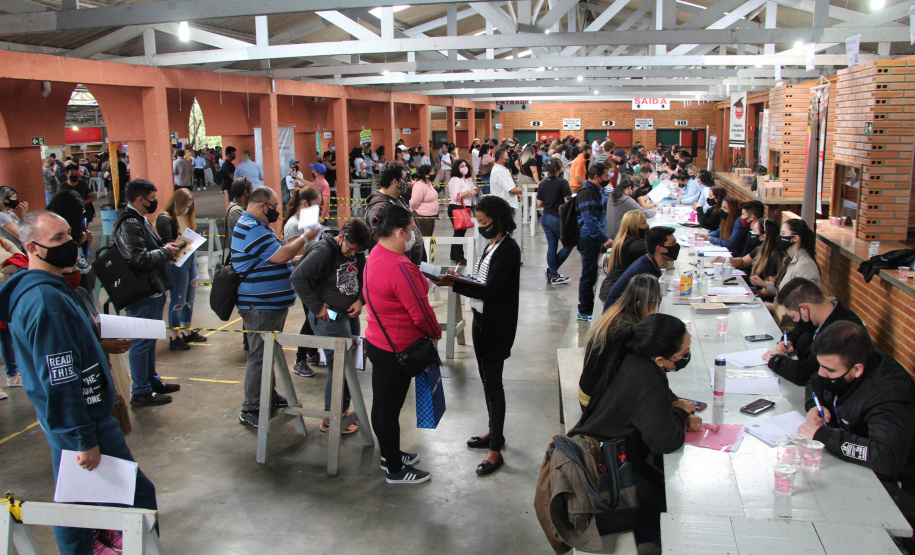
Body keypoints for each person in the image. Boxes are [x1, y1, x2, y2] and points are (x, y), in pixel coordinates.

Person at [0, 210, 159, 555]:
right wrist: (82, 439)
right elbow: (60, 378)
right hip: (83, 421)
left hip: (73, 420)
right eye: (57, 239)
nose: (69, 243)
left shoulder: (52, 289)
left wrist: (95, 344)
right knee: (135, 497)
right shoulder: (46, 303)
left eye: (69, 234)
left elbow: (65, 348)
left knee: (76, 501)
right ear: (33, 248)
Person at [571, 313, 700, 549]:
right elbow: (665, 441)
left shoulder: (629, 355)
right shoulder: (647, 377)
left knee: (662, 484)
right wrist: (681, 414)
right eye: (682, 355)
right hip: (605, 474)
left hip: (600, 453)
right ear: (661, 359)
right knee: (665, 505)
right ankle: (650, 543)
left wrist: (676, 408)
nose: (684, 358)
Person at [797, 321, 915, 552]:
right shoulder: (843, 364)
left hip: (902, 484)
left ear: (857, 369)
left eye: (830, 371)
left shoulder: (888, 396)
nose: (823, 374)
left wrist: (824, 435)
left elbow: (886, 458)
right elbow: (815, 381)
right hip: (864, 467)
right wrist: (816, 404)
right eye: (821, 365)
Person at [434, 196, 520, 476]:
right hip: (481, 320)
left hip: (496, 326)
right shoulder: (492, 244)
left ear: (498, 219)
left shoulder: (508, 249)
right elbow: (482, 281)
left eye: (484, 222)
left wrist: (454, 284)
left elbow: (492, 290)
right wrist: (458, 278)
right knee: (486, 382)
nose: (480, 227)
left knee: (494, 385)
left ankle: (496, 450)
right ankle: (494, 432)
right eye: (478, 222)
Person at [362, 205, 441, 484]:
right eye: (411, 230)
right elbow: (420, 312)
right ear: (398, 231)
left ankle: (389, 453)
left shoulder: (375, 255)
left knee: (382, 404)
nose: (413, 236)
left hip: (377, 342)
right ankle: (395, 469)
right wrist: (435, 333)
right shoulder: (399, 265)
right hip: (398, 349)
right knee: (390, 410)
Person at [232, 186, 309, 427]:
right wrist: (305, 237)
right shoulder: (250, 228)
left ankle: (269, 395)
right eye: (274, 206)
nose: (277, 211)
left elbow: (278, 257)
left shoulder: (259, 227)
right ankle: (251, 406)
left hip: (270, 305)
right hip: (260, 306)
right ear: (262, 205)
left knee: (267, 354)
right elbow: (280, 255)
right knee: (259, 356)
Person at [290, 220, 372, 434]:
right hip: (329, 317)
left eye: (357, 251)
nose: (352, 253)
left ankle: (342, 410)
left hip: (349, 313)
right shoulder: (324, 251)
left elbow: (364, 278)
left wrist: (360, 300)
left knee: (349, 363)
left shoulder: (357, 252)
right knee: (337, 366)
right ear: (342, 236)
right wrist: (317, 308)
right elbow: (297, 278)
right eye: (350, 249)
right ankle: (331, 417)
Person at [112, 180, 182, 407]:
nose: (155, 202)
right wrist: (165, 252)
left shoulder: (139, 220)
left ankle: (151, 381)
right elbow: (138, 258)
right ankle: (140, 390)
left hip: (152, 289)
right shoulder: (130, 223)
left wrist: (166, 248)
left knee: (149, 339)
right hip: (143, 292)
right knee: (142, 341)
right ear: (140, 199)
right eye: (152, 198)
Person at [761, 278, 864, 386]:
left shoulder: (842, 332)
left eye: (793, 317)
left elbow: (806, 373)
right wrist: (788, 341)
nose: (795, 322)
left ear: (804, 309)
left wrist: (775, 359)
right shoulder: (819, 316)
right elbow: (798, 330)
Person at [581, 274, 661, 409]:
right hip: (597, 406)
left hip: (589, 394)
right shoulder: (628, 331)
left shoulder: (615, 314)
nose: (658, 306)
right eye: (655, 302)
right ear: (640, 304)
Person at [155, 188, 208, 352]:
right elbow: (168, 244)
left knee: (190, 298)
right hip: (176, 261)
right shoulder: (164, 218)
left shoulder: (183, 216)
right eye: (186, 205)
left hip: (188, 257)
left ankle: (187, 330)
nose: (187, 209)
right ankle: (174, 336)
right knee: (179, 299)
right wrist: (184, 242)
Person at [603, 226, 678, 311]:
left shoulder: (648, 261)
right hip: (619, 316)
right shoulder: (644, 272)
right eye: (673, 243)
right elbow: (642, 307)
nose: (676, 246)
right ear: (659, 248)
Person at [365, 162, 424, 265]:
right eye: (405, 179)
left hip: (410, 262)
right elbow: (382, 242)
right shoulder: (380, 208)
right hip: (395, 266)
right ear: (395, 182)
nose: (408, 182)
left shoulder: (397, 199)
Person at [575, 163, 613, 322]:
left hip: (594, 239)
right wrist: (604, 239)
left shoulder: (595, 191)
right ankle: (584, 311)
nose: (607, 180)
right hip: (589, 240)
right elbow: (590, 221)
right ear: (596, 177)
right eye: (605, 177)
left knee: (592, 276)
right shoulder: (587, 193)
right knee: (588, 276)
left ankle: (587, 309)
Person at [751, 218, 820, 297]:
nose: (779, 237)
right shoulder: (789, 259)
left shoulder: (806, 266)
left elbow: (802, 299)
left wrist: (772, 307)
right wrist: (765, 284)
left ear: (795, 238)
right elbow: (783, 291)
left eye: (783, 234)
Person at [598, 210, 648, 303]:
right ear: (634, 226)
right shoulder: (635, 245)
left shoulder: (623, 240)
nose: (647, 226)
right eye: (644, 223)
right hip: (617, 295)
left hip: (610, 290)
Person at [537, 158, 573, 285]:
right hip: (556, 218)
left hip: (545, 217)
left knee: (552, 246)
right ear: (560, 169)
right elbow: (568, 201)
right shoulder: (562, 182)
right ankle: (554, 273)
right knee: (569, 244)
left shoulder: (542, 184)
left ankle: (553, 273)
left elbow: (539, 203)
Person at [725, 218, 782, 298]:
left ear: (762, 237)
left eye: (754, 231)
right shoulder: (760, 248)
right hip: (757, 291)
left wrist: (749, 293)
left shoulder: (772, 257)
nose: (751, 233)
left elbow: (771, 291)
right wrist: (726, 260)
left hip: (765, 299)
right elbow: (743, 262)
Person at [489, 148, 524, 251]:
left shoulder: (502, 169)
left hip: (506, 203)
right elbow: (511, 189)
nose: (509, 159)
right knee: (503, 232)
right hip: (504, 206)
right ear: (501, 159)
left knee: (506, 231)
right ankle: (503, 253)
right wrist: (520, 190)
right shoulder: (499, 171)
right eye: (506, 157)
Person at [447, 158, 479, 267]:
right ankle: (459, 257)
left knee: (460, 232)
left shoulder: (469, 180)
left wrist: (475, 191)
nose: (464, 168)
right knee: (459, 232)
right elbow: (456, 196)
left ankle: (453, 254)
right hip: (457, 207)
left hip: (467, 207)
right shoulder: (455, 179)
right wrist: (469, 192)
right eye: (461, 166)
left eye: (465, 165)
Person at [409, 164, 439, 238]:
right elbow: (414, 202)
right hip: (423, 217)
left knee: (428, 238)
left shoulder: (428, 183)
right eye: (431, 172)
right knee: (424, 239)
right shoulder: (420, 185)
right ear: (426, 175)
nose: (433, 174)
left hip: (430, 217)